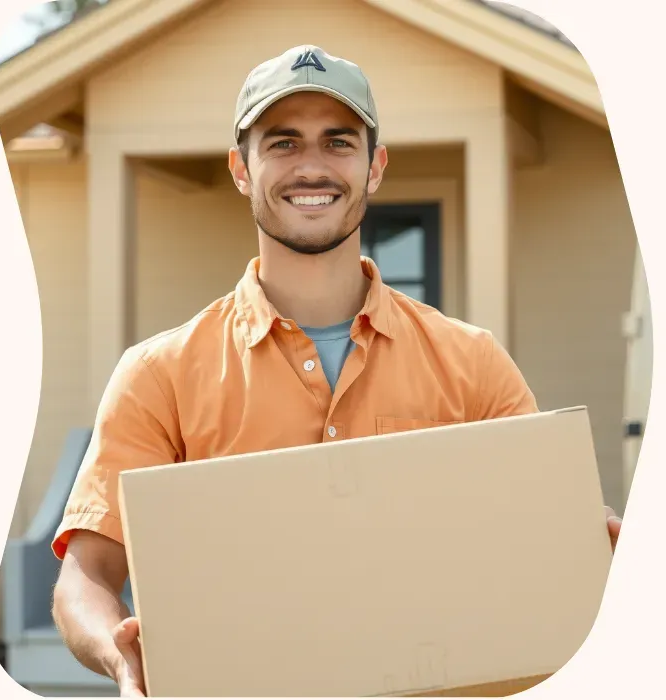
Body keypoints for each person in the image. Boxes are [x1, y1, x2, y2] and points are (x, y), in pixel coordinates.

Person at [50, 45, 623, 697]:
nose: (313, 167)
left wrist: (591, 554)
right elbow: (86, 574)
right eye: (284, 143)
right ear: (242, 168)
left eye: (339, 142)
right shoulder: (159, 375)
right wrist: (117, 655)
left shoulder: (471, 362)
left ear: (374, 166)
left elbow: (536, 542)